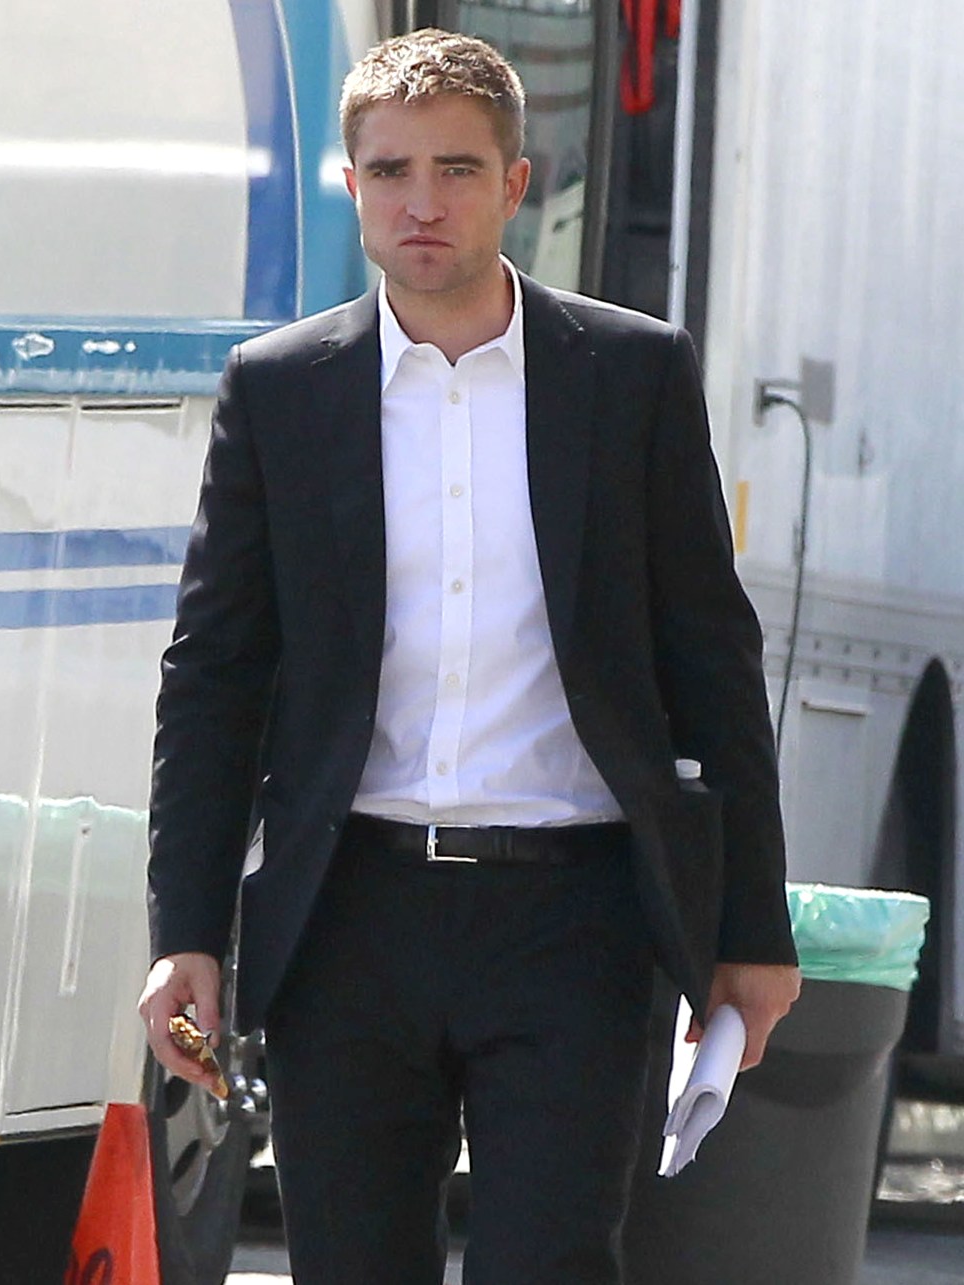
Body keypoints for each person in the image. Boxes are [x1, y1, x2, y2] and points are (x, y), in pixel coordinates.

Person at [138, 27, 800, 1285]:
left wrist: (751, 934)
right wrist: (188, 933)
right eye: (392, 172)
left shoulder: (629, 374)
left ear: (516, 183)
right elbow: (214, 677)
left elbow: (712, 658)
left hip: (574, 917)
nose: (422, 203)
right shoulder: (280, 390)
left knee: (550, 1261)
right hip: (350, 918)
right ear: (353, 189)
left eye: (456, 169)